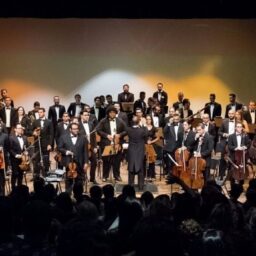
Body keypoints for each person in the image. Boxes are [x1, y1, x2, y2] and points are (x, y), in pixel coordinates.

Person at [96, 106, 126, 182]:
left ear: (116, 113)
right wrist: (106, 135)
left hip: (117, 144)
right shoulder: (103, 121)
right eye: (110, 112)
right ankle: (105, 176)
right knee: (106, 161)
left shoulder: (120, 121)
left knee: (117, 161)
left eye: (114, 112)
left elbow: (126, 130)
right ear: (108, 113)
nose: (112, 114)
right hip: (107, 143)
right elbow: (98, 130)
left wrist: (119, 135)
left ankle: (117, 176)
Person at [58, 122, 89, 194]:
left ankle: (78, 195)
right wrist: (66, 152)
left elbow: (86, 152)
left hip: (80, 162)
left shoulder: (83, 138)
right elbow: (59, 148)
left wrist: (86, 162)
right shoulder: (63, 137)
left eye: (77, 129)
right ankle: (68, 195)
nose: (76, 130)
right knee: (69, 180)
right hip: (69, 162)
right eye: (74, 129)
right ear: (70, 129)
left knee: (80, 180)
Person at [126, 116, 148, 190]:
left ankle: (130, 186)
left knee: (131, 168)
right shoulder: (142, 130)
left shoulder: (128, 130)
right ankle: (140, 186)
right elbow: (146, 135)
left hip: (131, 150)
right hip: (140, 151)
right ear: (138, 122)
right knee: (140, 168)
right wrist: (144, 125)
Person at [32, 108, 54, 177]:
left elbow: (51, 134)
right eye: (38, 112)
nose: (39, 113)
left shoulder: (49, 122)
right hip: (37, 144)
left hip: (46, 144)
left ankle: (46, 174)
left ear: (44, 113)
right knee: (37, 160)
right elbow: (30, 131)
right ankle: (37, 175)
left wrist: (50, 144)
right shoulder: (35, 122)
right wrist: (34, 133)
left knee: (46, 159)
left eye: (41, 112)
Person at [79, 110, 98, 185]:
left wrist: (95, 146)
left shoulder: (91, 124)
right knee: (83, 163)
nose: (87, 116)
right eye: (85, 115)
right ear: (81, 116)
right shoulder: (78, 124)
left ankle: (92, 179)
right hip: (82, 148)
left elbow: (93, 136)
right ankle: (83, 178)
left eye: (88, 115)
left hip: (91, 147)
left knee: (94, 162)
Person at [8, 123, 29, 190]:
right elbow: (10, 149)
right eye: (19, 128)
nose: (21, 129)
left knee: (20, 174)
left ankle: (19, 189)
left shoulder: (25, 137)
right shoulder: (11, 137)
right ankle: (13, 189)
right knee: (15, 174)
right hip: (14, 159)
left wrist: (26, 152)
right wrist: (16, 155)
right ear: (15, 129)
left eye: (21, 128)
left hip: (22, 160)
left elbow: (26, 148)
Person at [145, 115, 159, 181]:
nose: (148, 121)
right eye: (147, 119)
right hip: (145, 146)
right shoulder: (144, 128)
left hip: (152, 146)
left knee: (152, 161)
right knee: (145, 160)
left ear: (151, 120)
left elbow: (158, 137)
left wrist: (151, 141)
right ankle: (146, 175)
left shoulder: (154, 128)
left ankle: (152, 175)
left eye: (149, 119)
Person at [0, 123, 9, 196]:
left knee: (2, 178)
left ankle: (2, 194)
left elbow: (7, 148)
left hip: (2, 161)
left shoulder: (5, 136)